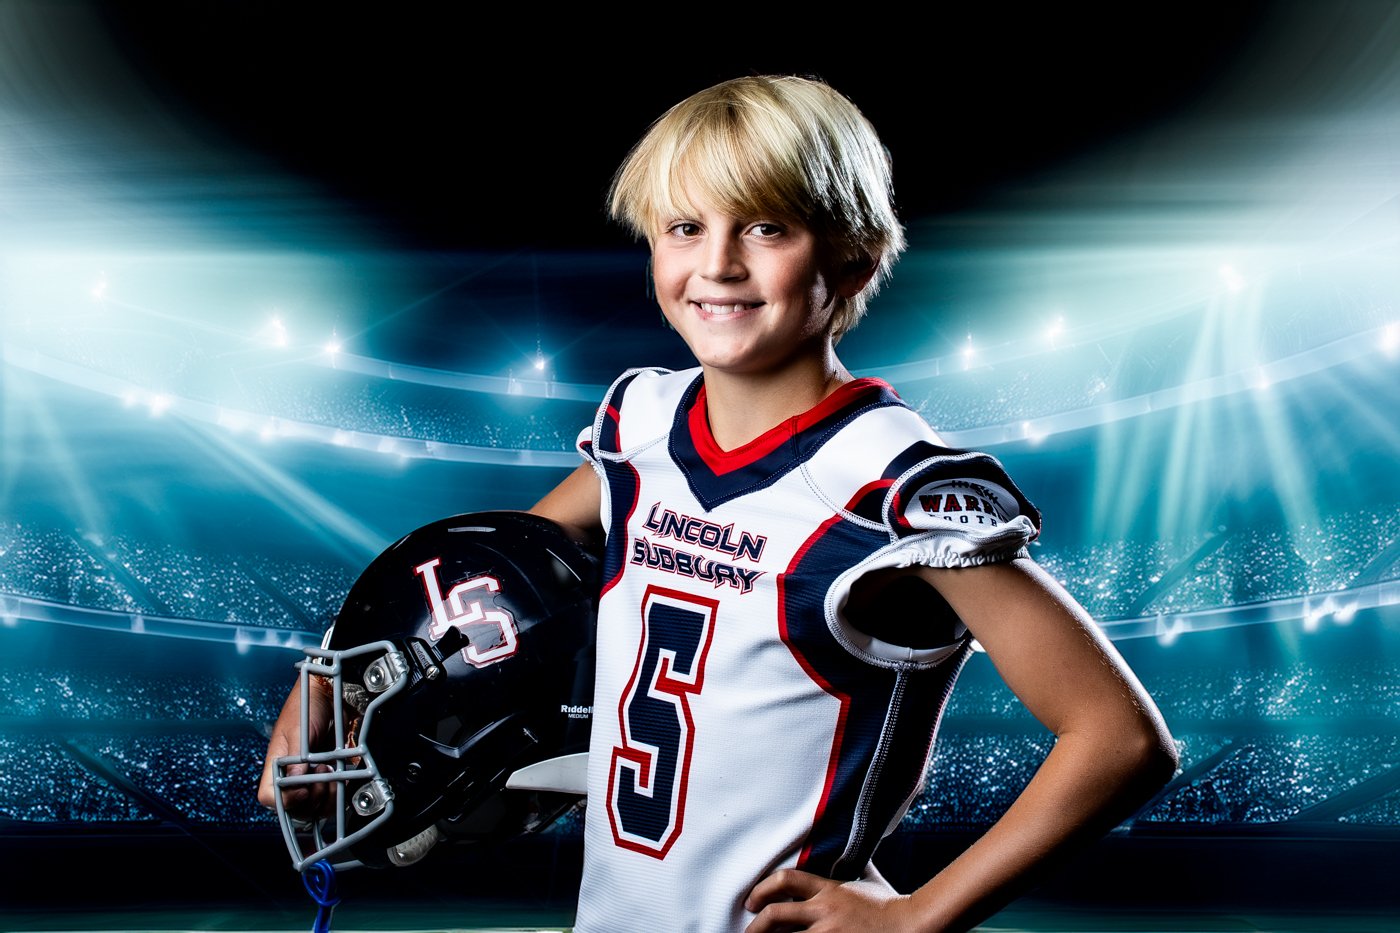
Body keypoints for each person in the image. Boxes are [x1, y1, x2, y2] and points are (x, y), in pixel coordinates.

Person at [261, 74, 1177, 933]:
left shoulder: (887, 483)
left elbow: (1120, 737)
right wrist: (332, 684)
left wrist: (916, 916)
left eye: (768, 228)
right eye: (685, 227)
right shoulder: (642, 424)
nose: (720, 264)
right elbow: (494, 580)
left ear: (853, 258)